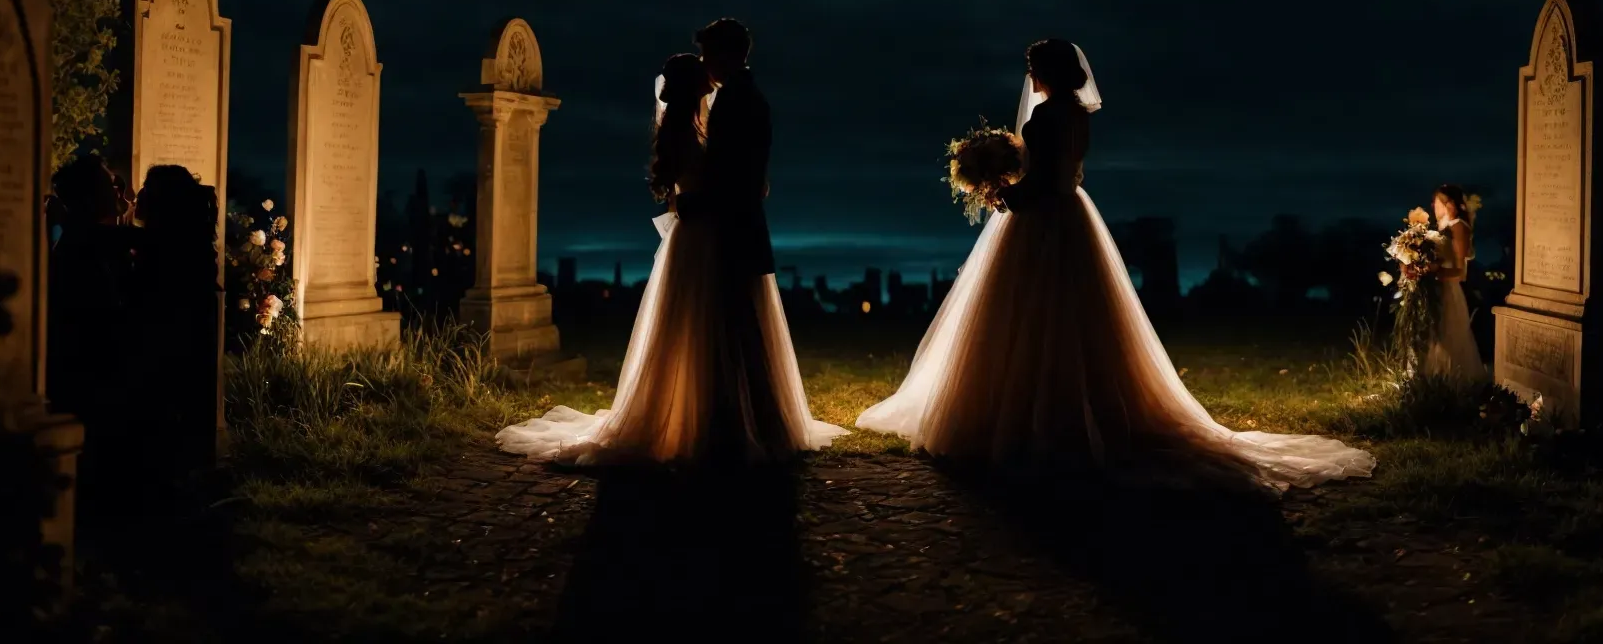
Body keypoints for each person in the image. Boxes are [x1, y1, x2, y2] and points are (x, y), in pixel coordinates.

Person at [857, 40, 1375, 488]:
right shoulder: (1077, 114)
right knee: (1075, 317)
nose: (1030, 77)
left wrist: (1007, 194)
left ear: (1046, 71)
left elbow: (1045, 178)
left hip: (1041, 219)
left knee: (1032, 313)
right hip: (1071, 214)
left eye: (1033, 67)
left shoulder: (1045, 115)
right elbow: (1066, 175)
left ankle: (1020, 418)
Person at [496, 47, 844, 464]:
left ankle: (717, 412)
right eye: (702, 75)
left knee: (712, 323)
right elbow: (690, 190)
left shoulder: (695, 126)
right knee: (698, 323)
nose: (709, 79)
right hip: (698, 238)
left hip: (706, 233)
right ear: (690, 86)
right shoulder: (682, 130)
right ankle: (698, 419)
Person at [46, 154, 141, 532]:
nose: (117, 189)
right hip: (93, 380)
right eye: (107, 184)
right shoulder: (84, 246)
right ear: (88, 198)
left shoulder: (100, 242)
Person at [129, 165, 223, 494]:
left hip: (168, 349)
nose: (136, 194)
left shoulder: (166, 250)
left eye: (145, 188)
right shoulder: (182, 244)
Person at [1424, 183, 1488, 383]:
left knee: (1450, 339)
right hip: (1436, 289)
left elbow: (1460, 272)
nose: (1436, 207)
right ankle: (1434, 382)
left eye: (1441, 202)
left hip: (1448, 291)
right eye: (1435, 202)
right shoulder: (1442, 227)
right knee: (1435, 338)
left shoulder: (1459, 226)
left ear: (1451, 203)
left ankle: (1454, 384)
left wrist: (1433, 272)